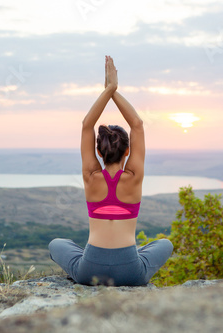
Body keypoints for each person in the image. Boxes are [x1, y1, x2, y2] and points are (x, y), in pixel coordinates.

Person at [48, 55, 173, 286]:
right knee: (165, 244)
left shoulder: (90, 177)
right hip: (130, 272)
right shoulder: (134, 178)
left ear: (99, 152)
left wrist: (108, 89)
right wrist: (114, 90)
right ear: (128, 152)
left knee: (57, 244)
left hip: (90, 271)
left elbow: (87, 125)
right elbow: (137, 124)